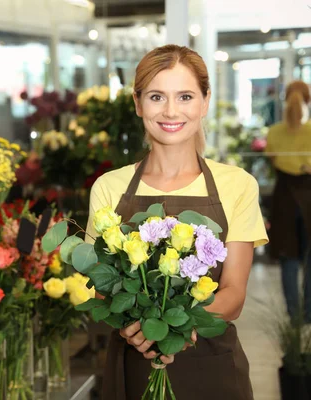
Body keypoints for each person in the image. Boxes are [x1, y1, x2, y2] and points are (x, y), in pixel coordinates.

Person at [85, 45, 268, 399]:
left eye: (185, 96)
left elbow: (233, 295)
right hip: (135, 362)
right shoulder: (109, 188)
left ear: (204, 101)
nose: (171, 111)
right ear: (138, 104)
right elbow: (103, 288)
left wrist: (173, 328)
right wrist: (137, 330)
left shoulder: (237, 185)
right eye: (156, 96)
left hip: (213, 364)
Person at [265, 80, 311, 322]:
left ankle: (294, 314)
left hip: (284, 197)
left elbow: (273, 161)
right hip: (309, 196)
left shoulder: (274, 132)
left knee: (289, 258)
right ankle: (310, 313)